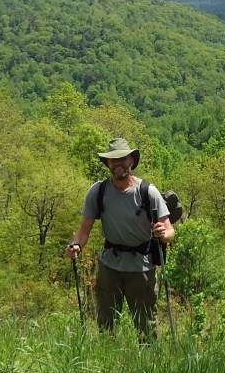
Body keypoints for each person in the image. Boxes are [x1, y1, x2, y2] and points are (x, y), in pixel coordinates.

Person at [66, 137, 174, 337]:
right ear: (107, 163)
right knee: (106, 324)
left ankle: (148, 364)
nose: (118, 164)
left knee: (147, 328)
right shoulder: (98, 191)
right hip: (110, 267)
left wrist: (163, 234)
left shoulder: (147, 191)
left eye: (122, 159)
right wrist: (75, 245)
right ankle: (108, 363)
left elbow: (169, 231)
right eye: (113, 160)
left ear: (131, 161)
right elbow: (83, 231)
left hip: (141, 268)